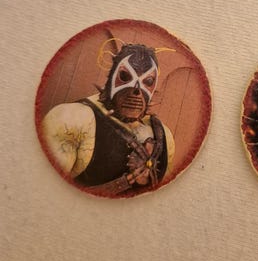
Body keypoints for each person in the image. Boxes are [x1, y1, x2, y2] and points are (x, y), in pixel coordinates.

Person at [41, 43, 175, 196]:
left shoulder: (165, 137)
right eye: (125, 77)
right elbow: (47, 193)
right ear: (112, 78)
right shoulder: (71, 120)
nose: (136, 91)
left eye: (148, 82)